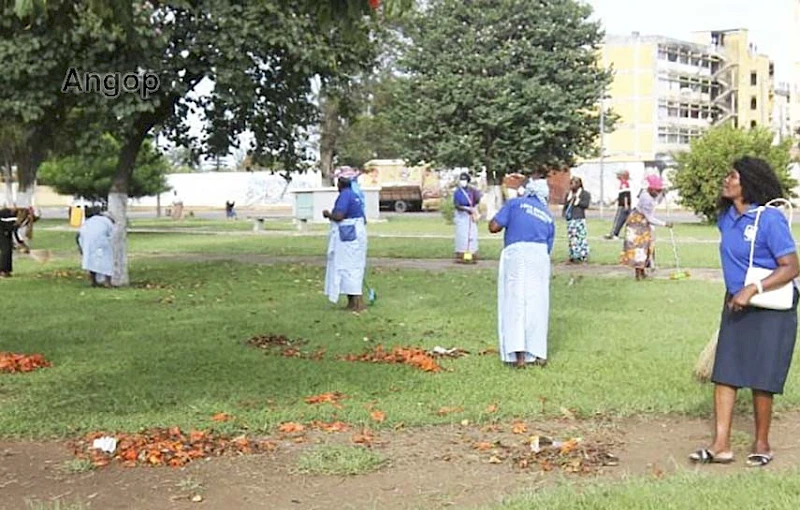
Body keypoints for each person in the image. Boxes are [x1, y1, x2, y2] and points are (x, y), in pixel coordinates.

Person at [690, 157, 799, 468]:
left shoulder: (770, 219)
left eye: (733, 176)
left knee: (762, 377)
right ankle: (720, 445)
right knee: (725, 373)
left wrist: (752, 290)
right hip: (736, 304)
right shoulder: (727, 218)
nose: (726, 180)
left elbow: (792, 266)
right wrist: (737, 294)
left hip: (770, 306)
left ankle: (762, 442)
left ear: (749, 182)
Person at [489, 178, 556, 368]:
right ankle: (538, 354)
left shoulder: (515, 204)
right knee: (537, 303)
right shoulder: (548, 215)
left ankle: (519, 357)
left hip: (517, 254)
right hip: (539, 256)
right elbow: (548, 247)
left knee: (515, 302)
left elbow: (494, 227)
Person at [323, 177, 368, 312]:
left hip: (348, 237)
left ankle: (358, 303)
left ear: (340, 185)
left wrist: (328, 214)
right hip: (357, 235)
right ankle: (352, 303)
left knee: (347, 268)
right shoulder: (355, 195)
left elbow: (339, 216)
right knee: (353, 267)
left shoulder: (344, 195)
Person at [620, 174, 673, 280]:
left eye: (659, 190)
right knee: (638, 248)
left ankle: (643, 271)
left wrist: (662, 194)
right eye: (656, 191)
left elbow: (656, 202)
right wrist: (665, 224)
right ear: (650, 189)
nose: (657, 192)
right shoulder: (645, 198)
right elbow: (650, 218)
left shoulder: (650, 195)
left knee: (646, 247)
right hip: (637, 223)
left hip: (644, 223)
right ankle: (638, 274)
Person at [78, 211, 115, 288]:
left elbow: (79, 234)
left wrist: (81, 248)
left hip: (86, 240)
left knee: (91, 260)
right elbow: (112, 235)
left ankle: (93, 281)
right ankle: (107, 282)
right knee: (107, 260)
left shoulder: (91, 220)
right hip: (100, 241)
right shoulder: (108, 222)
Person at [453, 172, 482, 263]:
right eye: (461, 180)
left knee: (472, 235)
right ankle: (461, 254)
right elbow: (456, 205)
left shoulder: (472, 191)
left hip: (471, 215)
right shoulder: (458, 192)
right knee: (462, 235)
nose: (463, 182)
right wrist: (465, 209)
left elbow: (477, 200)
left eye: (464, 180)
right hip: (462, 215)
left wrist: (473, 209)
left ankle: (472, 254)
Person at [562, 177, 591, 264]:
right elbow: (565, 205)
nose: (572, 186)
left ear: (579, 184)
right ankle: (573, 256)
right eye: (571, 183)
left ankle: (582, 257)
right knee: (572, 238)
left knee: (581, 238)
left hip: (579, 218)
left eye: (574, 183)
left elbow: (586, 205)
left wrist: (577, 201)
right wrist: (564, 213)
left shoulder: (584, 194)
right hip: (570, 219)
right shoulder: (568, 194)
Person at [604, 170, 631, 240]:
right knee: (623, 220)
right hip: (625, 205)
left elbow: (625, 195)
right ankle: (616, 233)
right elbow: (621, 195)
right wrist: (614, 201)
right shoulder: (625, 183)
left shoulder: (624, 183)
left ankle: (613, 233)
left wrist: (625, 205)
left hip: (623, 205)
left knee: (618, 220)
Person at [0, 207, 18, 277]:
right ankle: (3, 270)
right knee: (6, 249)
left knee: (8, 248)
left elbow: (12, 230)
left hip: (5, 231)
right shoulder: (13, 216)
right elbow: (16, 231)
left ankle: (6, 270)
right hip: (2, 231)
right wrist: (21, 243)